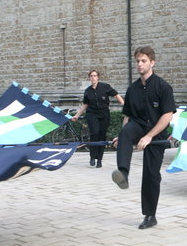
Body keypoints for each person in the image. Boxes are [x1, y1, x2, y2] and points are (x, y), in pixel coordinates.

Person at [112, 46, 176, 230]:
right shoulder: (132, 89)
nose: (140, 64)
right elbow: (128, 116)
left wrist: (149, 136)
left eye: (143, 61)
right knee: (125, 132)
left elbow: (167, 116)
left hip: (156, 132)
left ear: (152, 63)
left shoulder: (163, 87)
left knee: (151, 174)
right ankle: (123, 174)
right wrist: (123, 137)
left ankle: (150, 215)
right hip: (139, 125)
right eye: (137, 61)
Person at [71, 70, 124, 168]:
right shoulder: (87, 91)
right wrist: (77, 115)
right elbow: (85, 104)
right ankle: (92, 156)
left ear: (98, 77)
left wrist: (124, 106)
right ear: (89, 78)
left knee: (102, 135)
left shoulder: (105, 87)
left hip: (104, 114)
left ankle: (99, 159)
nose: (93, 78)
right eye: (91, 76)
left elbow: (116, 95)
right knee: (94, 133)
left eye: (95, 76)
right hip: (92, 114)